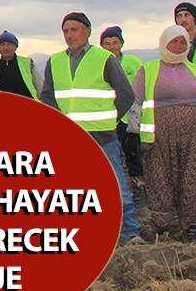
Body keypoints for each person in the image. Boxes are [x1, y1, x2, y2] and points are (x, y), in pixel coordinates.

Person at [41, 12, 141, 244]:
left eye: (74, 30)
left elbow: (126, 94)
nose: (69, 35)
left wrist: (110, 119)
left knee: (115, 185)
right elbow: (47, 96)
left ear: (87, 31)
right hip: (69, 138)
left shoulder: (103, 58)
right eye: (66, 31)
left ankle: (129, 232)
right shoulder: (54, 61)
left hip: (102, 136)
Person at [133, 25, 196, 243]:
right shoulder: (149, 69)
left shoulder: (193, 69)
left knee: (194, 178)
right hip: (159, 135)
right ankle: (162, 227)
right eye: (173, 42)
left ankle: (193, 227)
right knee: (160, 179)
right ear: (164, 44)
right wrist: (136, 134)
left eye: (182, 42)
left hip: (194, 134)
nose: (178, 46)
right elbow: (137, 102)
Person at [100, 26, 144, 192]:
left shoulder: (135, 63)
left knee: (134, 156)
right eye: (107, 43)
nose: (112, 47)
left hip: (130, 118)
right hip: (107, 118)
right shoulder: (98, 63)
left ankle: (139, 196)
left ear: (122, 43)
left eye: (115, 43)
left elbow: (139, 93)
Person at [0, 30, 42, 99]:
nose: (6, 48)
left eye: (9, 44)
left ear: (15, 47)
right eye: (2, 45)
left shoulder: (28, 63)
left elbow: (39, 87)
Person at [175, 2, 196, 82]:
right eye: (179, 16)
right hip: (182, 92)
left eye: (187, 15)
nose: (183, 20)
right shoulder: (172, 45)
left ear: (194, 18)